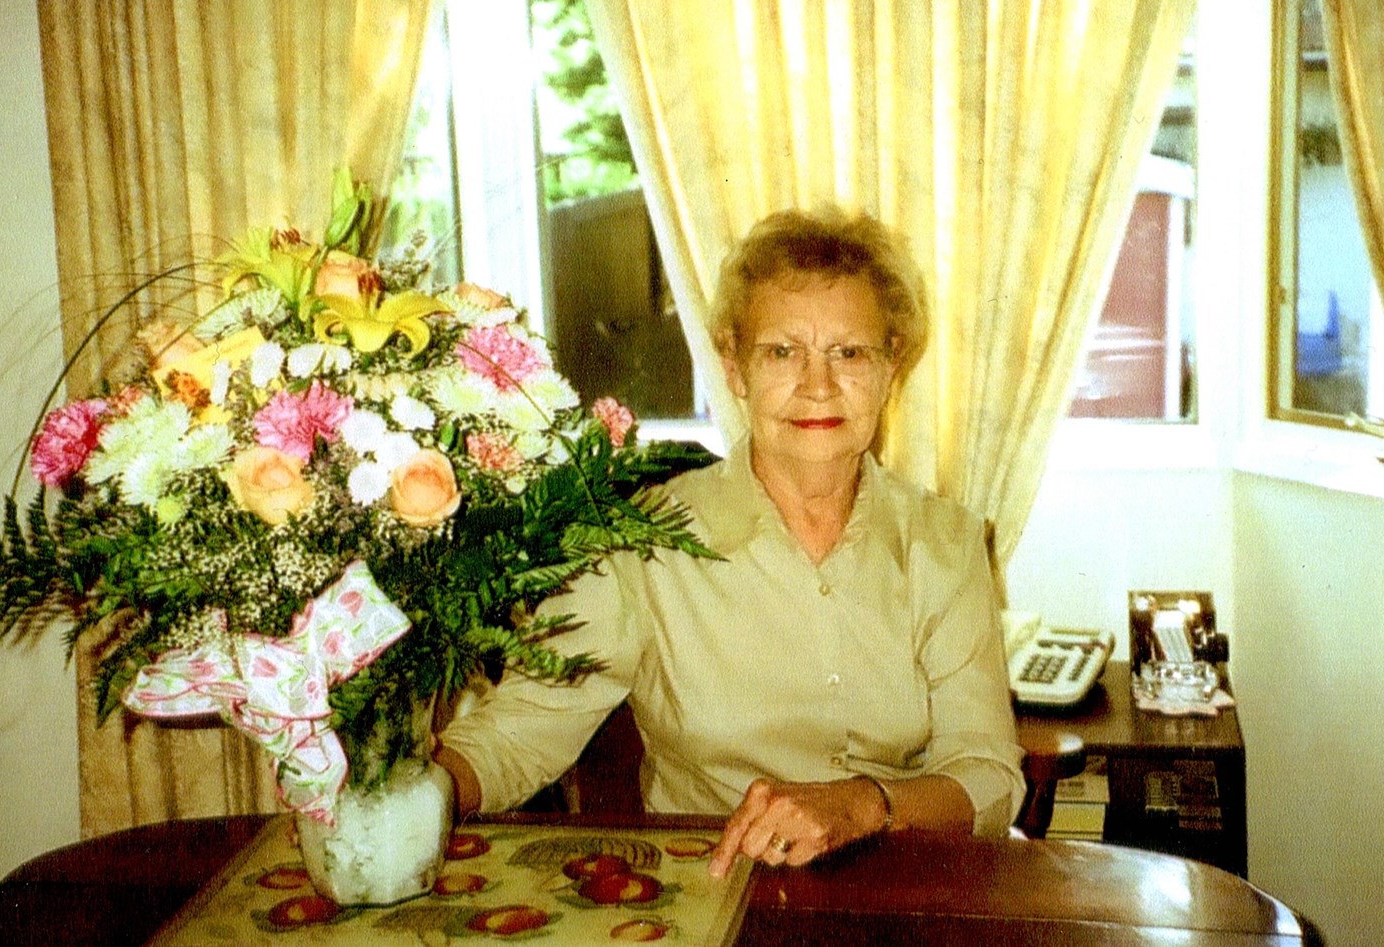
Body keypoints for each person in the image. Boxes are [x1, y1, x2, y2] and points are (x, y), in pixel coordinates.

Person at [435, 208, 1022, 878]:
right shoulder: (641, 543)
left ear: (892, 365)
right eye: (782, 352)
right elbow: (520, 731)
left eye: (849, 353)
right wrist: (415, 798)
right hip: (707, 888)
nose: (819, 385)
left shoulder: (947, 542)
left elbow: (988, 773)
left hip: (899, 885)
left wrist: (865, 805)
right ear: (734, 367)